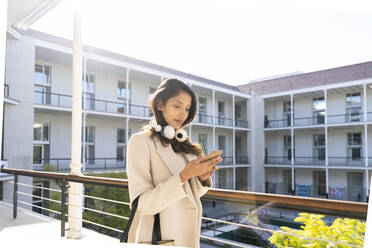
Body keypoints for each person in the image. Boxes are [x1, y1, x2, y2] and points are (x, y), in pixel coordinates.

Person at [126, 78, 223, 247]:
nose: (183, 114)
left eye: (187, 109)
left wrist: (200, 178)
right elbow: (142, 205)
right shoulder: (140, 142)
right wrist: (184, 175)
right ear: (160, 104)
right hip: (161, 239)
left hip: (187, 237)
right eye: (177, 106)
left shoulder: (184, 146)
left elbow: (187, 196)